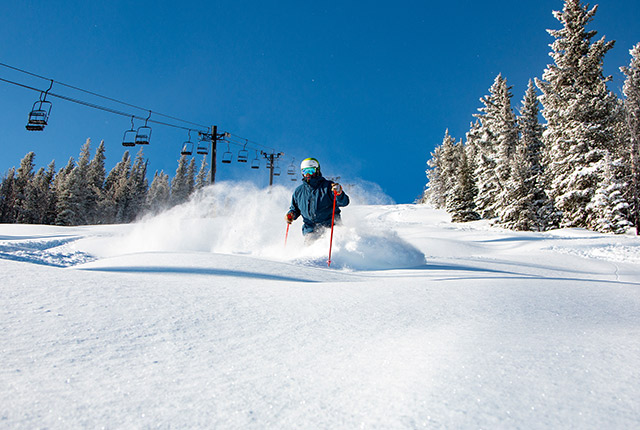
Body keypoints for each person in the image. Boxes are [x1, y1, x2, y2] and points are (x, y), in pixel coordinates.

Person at [285, 157, 349, 242]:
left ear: (317, 171)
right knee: (310, 252)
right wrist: (291, 214)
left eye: (311, 171)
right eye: (305, 171)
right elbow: (295, 209)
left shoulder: (329, 187)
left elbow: (344, 202)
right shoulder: (299, 191)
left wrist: (339, 193)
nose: (308, 174)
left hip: (331, 229)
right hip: (310, 231)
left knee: (334, 250)